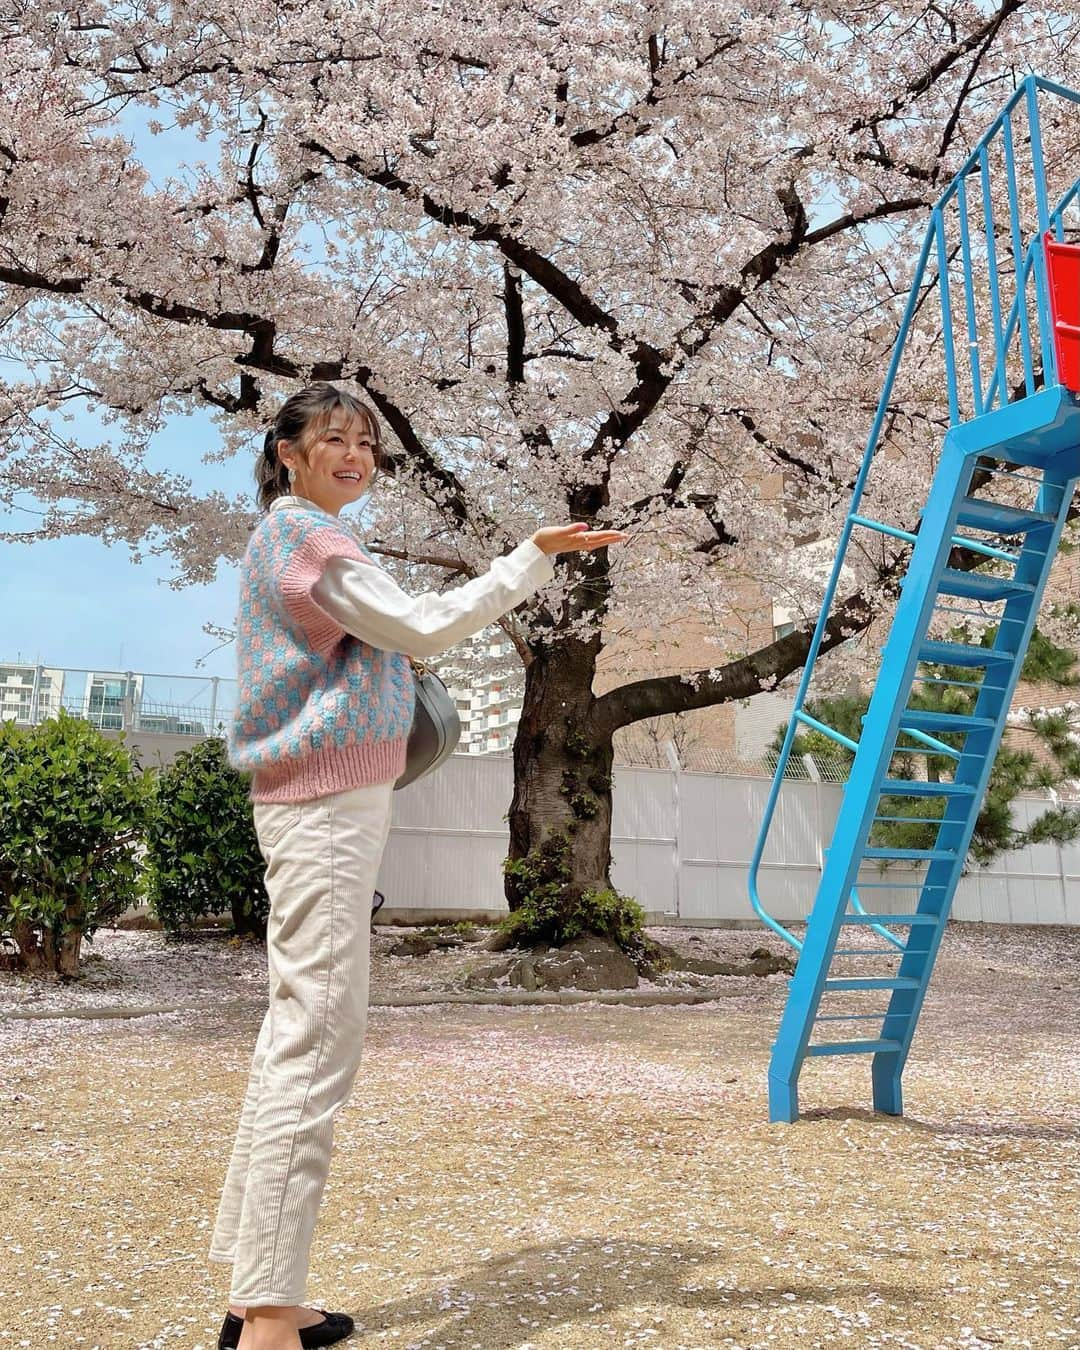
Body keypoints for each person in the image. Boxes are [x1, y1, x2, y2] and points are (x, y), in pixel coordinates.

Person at [208, 382, 628, 1350]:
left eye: (366, 441)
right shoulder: (308, 539)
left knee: (294, 1037)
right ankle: (269, 1317)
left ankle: (257, 1296)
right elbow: (427, 629)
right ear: (287, 452)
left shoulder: (290, 537)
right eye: (332, 439)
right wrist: (529, 558)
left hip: (310, 800)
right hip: (322, 808)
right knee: (319, 1040)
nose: (353, 454)